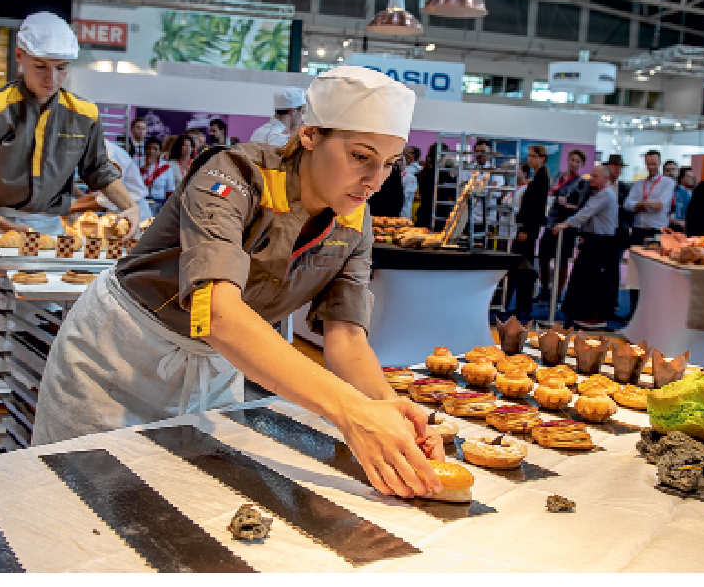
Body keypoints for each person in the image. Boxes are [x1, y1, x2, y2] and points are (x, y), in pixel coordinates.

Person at [32, 66, 445, 499]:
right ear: (309, 134)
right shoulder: (232, 175)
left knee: (191, 507)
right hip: (119, 359)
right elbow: (219, 315)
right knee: (78, 502)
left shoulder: (354, 224)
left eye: (390, 164)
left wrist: (387, 409)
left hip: (215, 368)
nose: (376, 181)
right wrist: (349, 411)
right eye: (361, 156)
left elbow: (346, 339)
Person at [0, 10, 137, 466]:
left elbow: (100, 172)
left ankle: (30, 440)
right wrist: (4, 226)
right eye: (41, 66)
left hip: (48, 236)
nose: (52, 77)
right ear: (20, 59)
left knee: (37, 334)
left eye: (62, 68)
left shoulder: (82, 115)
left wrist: (127, 205)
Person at [553, 165, 620, 329]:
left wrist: (566, 224)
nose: (592, 178)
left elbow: (586, 213)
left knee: (592, 281)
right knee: (582, 278)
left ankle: (593, 316)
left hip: (601, 243)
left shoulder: (605, 194)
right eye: (592, 175)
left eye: (596, 176)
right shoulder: (597, 193)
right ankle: (580, 313)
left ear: (606, 178)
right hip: (593, 241)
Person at [509, 145, 552, 320]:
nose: (530, 159)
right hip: (527, 228)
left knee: (523, 268)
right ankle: (522, 305)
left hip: (528, 229)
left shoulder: (541, 179)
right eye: (529, 156)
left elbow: (535, 209)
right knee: (521, 268)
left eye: (533, 156)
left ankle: (523, 306)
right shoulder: (538, 177)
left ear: (542, 158)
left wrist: (526, 229)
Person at [538, 149, 588, 296]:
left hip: (567, 225)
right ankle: (545, 289)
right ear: (567, 160)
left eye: (577, 161)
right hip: (551, 222)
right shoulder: (558, 177)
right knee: (543, 256)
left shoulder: (581, 183)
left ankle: (558, 292)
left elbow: (582, 207)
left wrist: (566, 205)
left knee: (563, 260)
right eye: (572, 160)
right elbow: (551, 193)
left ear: (581, 164)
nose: (574, 163)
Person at [624, 150, 672, 247]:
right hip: (638, 228)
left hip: (656, 230)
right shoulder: (638, 183)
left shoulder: (667, 182)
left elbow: (659, 206)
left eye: (654, 164)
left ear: (659, 163)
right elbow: (627, 205)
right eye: (648, 164)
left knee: (653, 259)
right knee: (634, 259)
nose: (651, 167)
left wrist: (639, 204)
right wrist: (647, 204)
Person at [141, 137, 180, 216]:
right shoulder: (137, 162)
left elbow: (170, 190)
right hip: (141, 205)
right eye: (149, 148)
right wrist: (147, 166)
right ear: (145, 150)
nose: (151, 151)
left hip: (158, 206)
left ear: (159, 152)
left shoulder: (166, 166)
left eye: (155, 149)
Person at [400, 145, 421, 220]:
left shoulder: (417, 170)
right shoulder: (403, 168)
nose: (404, 155)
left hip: (410, 204)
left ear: (413, 156)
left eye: (406, 153)